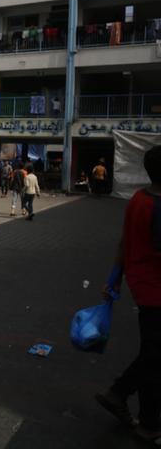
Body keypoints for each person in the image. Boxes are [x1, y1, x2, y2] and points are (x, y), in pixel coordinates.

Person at [95, 145, 161, 443]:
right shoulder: (156, 206)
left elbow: (124, 242)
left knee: (153, 355)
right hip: (155, 291)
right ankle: (119, 394)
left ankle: (148, 421)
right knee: (153, 356)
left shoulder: (138, 199)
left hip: (141, 286)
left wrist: (115, 279)